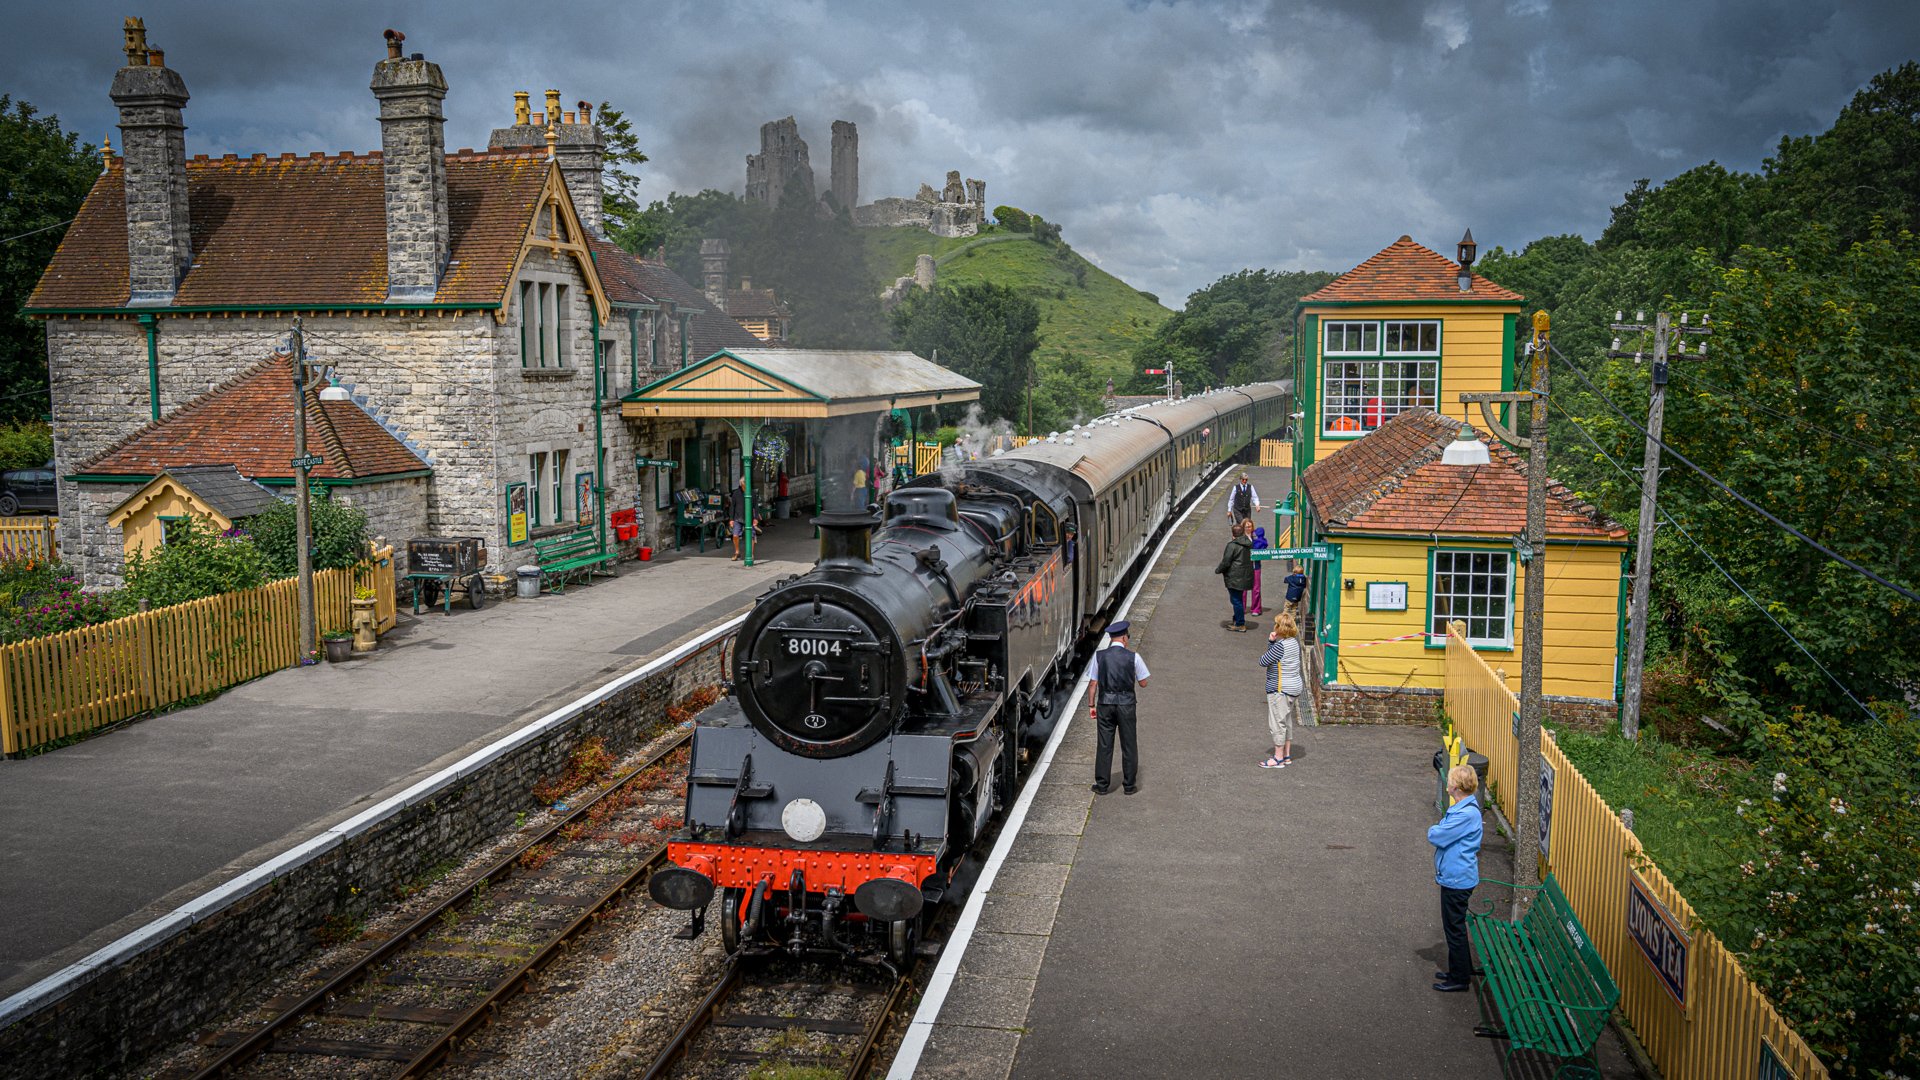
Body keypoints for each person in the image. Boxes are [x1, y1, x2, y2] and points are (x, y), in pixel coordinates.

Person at [1427, 764, 1484, 992]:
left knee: (1454, 928)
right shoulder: (1465, 808)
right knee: (1455, 926)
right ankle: (1460, 968)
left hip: (1457, 879)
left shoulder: (1464, 814)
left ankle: (1459, 978)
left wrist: (1436, 828)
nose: (1447, 784)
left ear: (1456, 786)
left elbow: (1437, 835)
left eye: (1450, 780)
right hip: (1456, 876)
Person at [1084, 620, 1150, 795]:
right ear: (1123, 637)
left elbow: (1093, 684)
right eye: (1127, 637)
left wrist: (1091, 705)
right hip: (1127, 705)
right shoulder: (1133, 657)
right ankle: (1129, 786)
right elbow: (1143, 683)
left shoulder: (1100, 656)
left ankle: (1102, 785)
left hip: (1105, 704)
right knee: (1129, 744)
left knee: (1105, 744)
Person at [1257, 612, 1303, 769]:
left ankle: (1277, 758)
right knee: (1286, 722)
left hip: (1280, 689)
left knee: (1277, 723)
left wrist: (1271, 642)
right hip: (1294, 687)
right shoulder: (1294, 642)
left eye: (1277, 624)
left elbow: (1263, 660)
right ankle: (1286, 755)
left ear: (1280, 628)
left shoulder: (1280, 646)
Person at [1214, 520, 1254, 631]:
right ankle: (1237, 619)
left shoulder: (1232, 546)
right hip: (1245, 576)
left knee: (1236, 601)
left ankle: (1240, 624)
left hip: (1234, 577)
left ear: (1233, 534)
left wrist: (1218, 570)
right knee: (1238, 599)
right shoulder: (1249, 543)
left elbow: (1226, 561)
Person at [1249, 525, 1267, 616]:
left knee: (1255, 588)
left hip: (1255, 566)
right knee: (1246, 589)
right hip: (1246, 566)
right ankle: (1251, 608)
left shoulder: (1258, 541)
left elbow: (1262, 546)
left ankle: (1255, 608)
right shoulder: (1261, 541)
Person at [728, 481, 746, 561]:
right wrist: (731, 519)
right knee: (735, 535)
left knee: (751, 537)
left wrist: (755, 518)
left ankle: (751, 554)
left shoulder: (751, 492)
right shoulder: (736, 493)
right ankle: (737, 552)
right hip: (738, 517)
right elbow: (732, 507)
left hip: (748, 517)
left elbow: (755, 505)